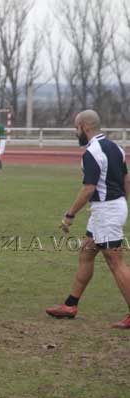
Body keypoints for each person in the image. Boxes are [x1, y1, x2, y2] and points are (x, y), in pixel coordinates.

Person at [46, 109, 130, 329]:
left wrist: (70, 215)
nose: (76, 133)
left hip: (107, 211)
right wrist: (118, 203)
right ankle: (70, 305)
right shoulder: (116, 148)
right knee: (87, 252)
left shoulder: (92, 152)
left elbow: (88, 188)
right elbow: (125, 179)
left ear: (85, 126)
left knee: (115, 261)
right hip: (112, 207)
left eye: (76, 128)